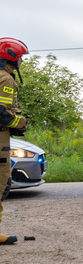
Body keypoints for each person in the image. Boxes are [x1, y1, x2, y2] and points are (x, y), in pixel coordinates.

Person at [0, 38, 29, 245]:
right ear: (11, 56)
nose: (21, 62)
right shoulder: (5, 79)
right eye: (20, 58)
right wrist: (21, 122)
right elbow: (2, 114)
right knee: (2, 184)